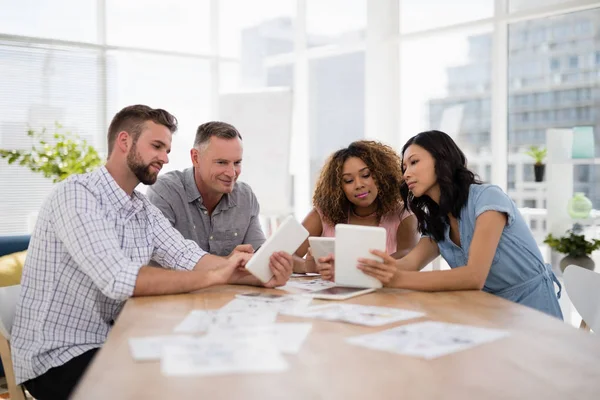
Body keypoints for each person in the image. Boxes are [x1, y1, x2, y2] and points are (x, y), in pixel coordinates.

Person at [10, 105, 292, 400]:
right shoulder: (78, 195)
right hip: (57, 356)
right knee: (170, 389)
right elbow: (119, 280)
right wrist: (217, 274)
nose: (165, 157)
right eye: (156, 146)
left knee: (207, 372)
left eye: (167, 149)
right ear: (124, 142)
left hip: (109, 342)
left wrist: (255, 276)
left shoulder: (141, 208)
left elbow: (188, 256)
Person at [353, 130, 563, 319]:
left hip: (534, 312)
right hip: (490, 311)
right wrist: (355, 268)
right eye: (404, 167)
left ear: (442, 159)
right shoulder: (437, 218)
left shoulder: (487, 198)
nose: (406, 173)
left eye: (414, 162)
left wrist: (397, 279)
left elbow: (474, 277)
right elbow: (409, 264)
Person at [294, 140, 419, 280]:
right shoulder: (322, 214)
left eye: (366, 175)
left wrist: (347, 267)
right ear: (338, 187)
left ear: (382, 175)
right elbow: (284, 256)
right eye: (348, 180)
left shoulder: (403, 216)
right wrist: (309, 266)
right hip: (330, 299)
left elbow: (409, 260)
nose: (359, 185)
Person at [146, 121, 267, 257]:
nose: (232, 173)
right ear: (196, 158)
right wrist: (227, 263)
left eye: (237, 162)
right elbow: (167, 258)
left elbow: (260, 256)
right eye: (221, 162)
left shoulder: (245, 196)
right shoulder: (165, 191)